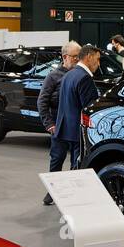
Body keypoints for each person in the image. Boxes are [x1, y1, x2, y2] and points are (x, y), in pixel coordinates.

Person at [39, 41, 81, 205]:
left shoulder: (80, 75)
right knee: (57, 159)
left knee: (76, 161)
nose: (77, 60)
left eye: (79, 56)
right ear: (65, 57)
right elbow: (42, 102)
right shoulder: (53, 76)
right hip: (59, 125)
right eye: (75, 57)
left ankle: (73, 193)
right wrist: (49, 124)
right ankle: (52, 192)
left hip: (77, 126)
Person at [53, 44, 101, 174]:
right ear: (89, 57)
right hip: (78, 133)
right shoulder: (85, 78)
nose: (98, 63)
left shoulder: (69, 75)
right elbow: (89, 108)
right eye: (97, 59)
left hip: (65, 128)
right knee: (77, 171)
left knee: (60, 167)